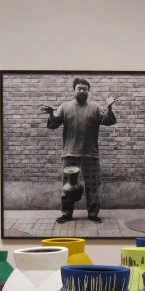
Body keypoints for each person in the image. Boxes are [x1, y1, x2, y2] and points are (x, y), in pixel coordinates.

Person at [41, 77, 120, 224]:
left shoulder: (96, 107)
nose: (82, 91)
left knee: (93, 186)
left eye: (85, 88)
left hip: (91, 154)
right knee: (67, 187)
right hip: (70, 153)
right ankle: (66, 214)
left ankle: (93, 214)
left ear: (88, 91)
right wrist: (51, 113)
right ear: (74, 90)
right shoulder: (65, 107)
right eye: (79, 88)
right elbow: (53, 124)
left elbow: (109, 121)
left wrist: (109, 107)